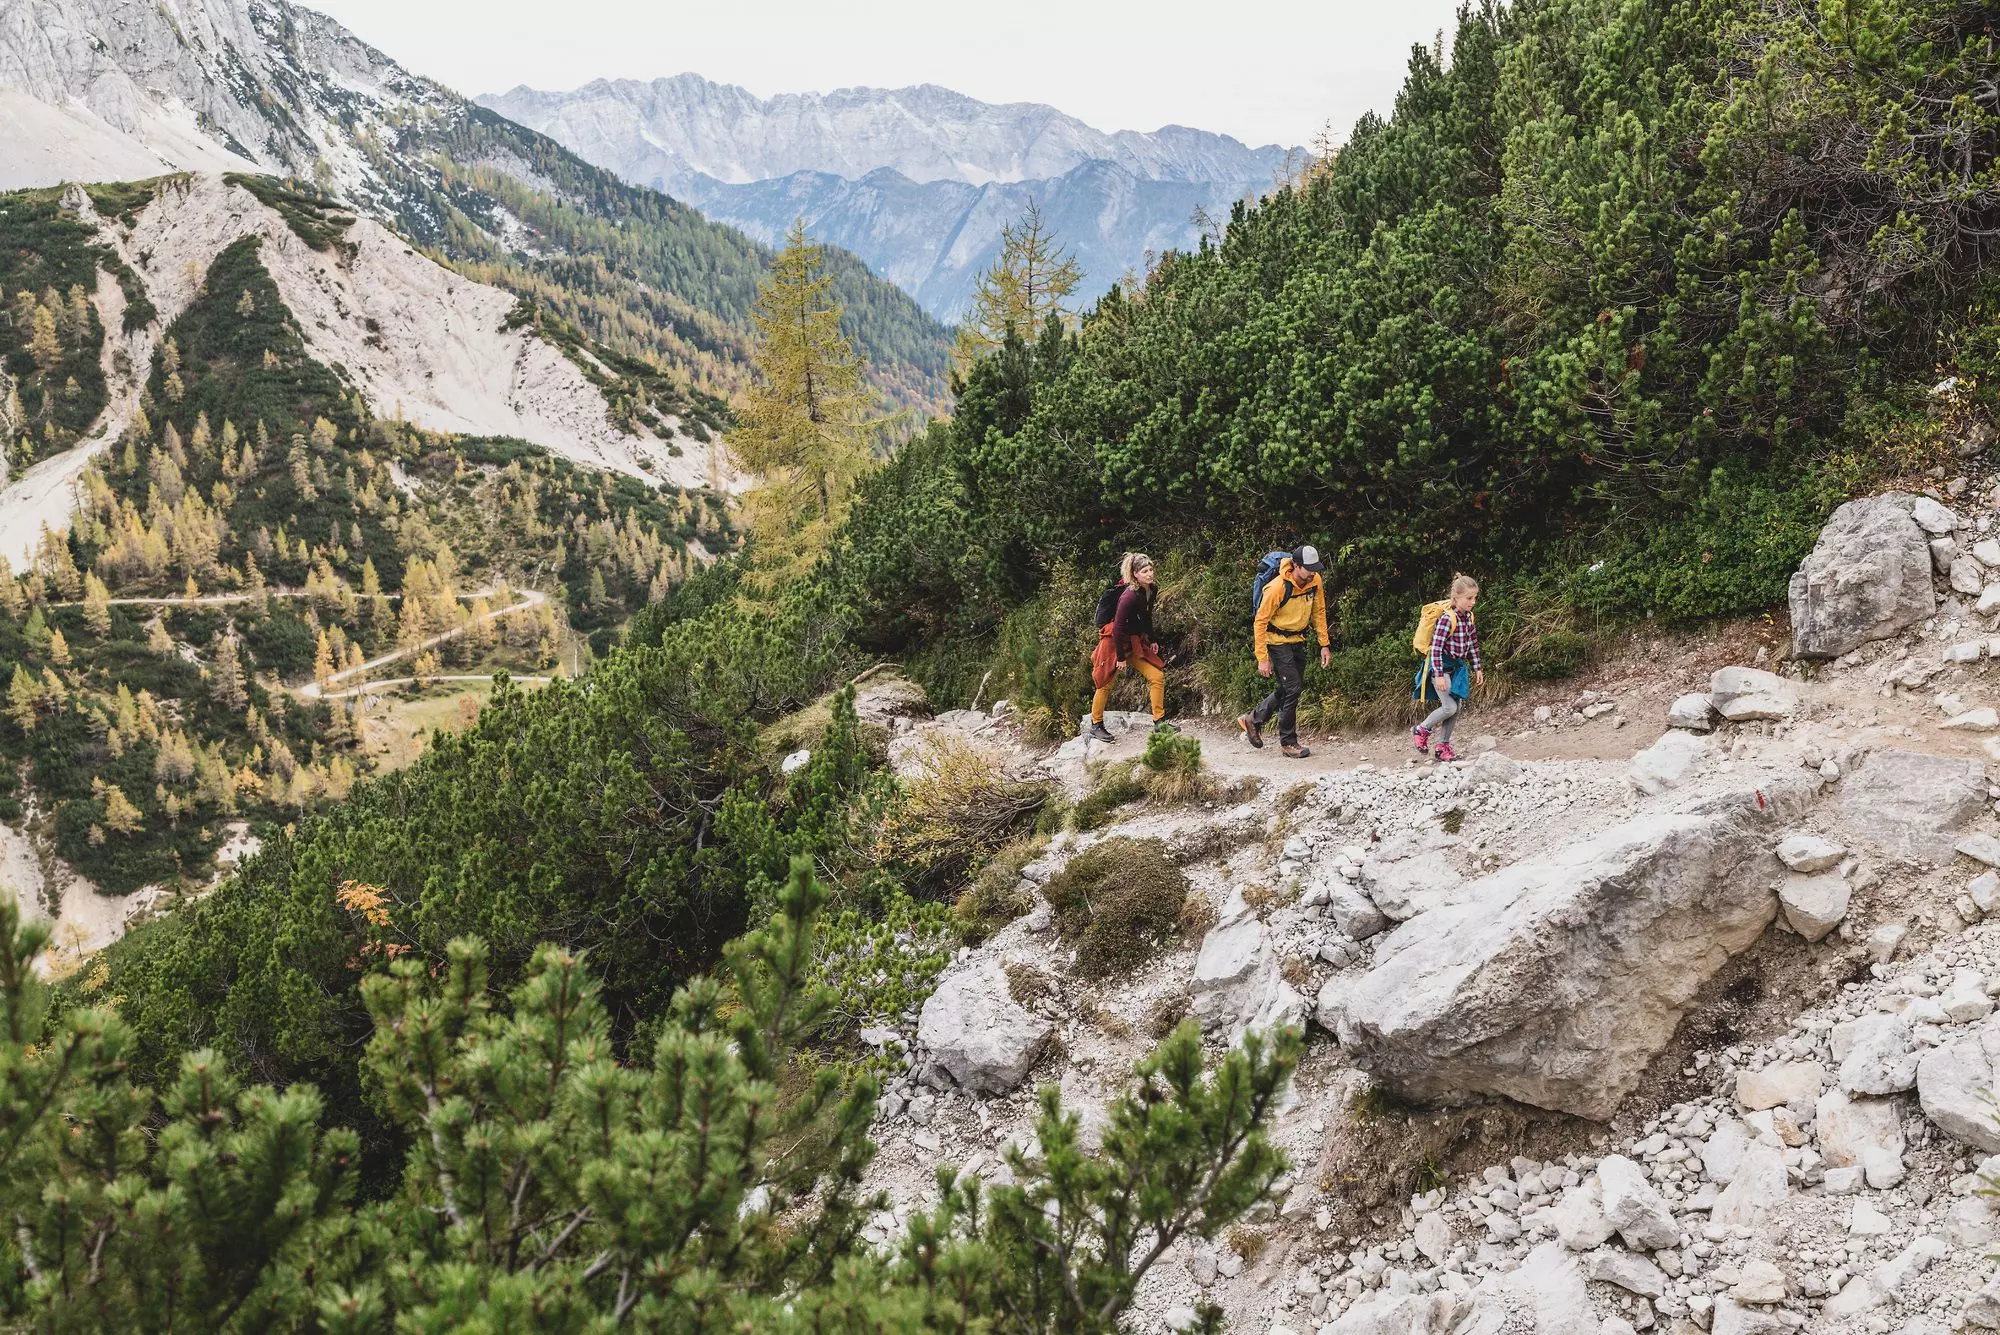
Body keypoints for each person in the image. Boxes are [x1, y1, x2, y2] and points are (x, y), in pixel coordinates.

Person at [1239, 544, 1331, 758]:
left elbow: (1319, 611)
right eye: (1309, 568)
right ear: (1296, 566)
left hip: (1297, 638)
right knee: (1294, 688)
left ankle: (1253, 719)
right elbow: (1259, 623)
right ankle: (1288, 742)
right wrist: (1262, 658)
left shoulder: (1314, 581)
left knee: (1289, 687)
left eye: (1315, 568)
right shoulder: (1277, 588)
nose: (1313, 573)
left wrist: (1324, 644)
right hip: (1277, 641)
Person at [1088, 552, 1174, 742]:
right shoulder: (1129, 596)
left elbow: (1146, 617)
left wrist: (1152, 639)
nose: (1150, 574)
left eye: (1151, 569)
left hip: (1132, 640)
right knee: (1104, 683)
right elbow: (1118, 628)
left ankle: (1160, 722)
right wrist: (1120, 658)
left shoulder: (1151, 589)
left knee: (1157, 676)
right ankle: (1096, 725)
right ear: (1135, 574)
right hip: (1113, 642)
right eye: (1145, 571)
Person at [1412, 574, 1485, 763]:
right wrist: (1439, 676)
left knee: (1457, 708)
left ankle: (1442, 746)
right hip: (1440, 668)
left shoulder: (1469, 618)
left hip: (1456, 669)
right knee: (1449, 707)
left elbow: (1472, 645)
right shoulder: (1447, 619)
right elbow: (1435, 648)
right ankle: (1422, 729)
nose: (1473, 602)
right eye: (1469, 598)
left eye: (1474, 598)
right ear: (1456, 597)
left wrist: (1477, 667)